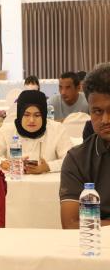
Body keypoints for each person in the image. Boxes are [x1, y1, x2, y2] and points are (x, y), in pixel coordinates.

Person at [60, 64, 110, 228]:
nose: (105, 120)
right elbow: (71, 224)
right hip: (94, 242)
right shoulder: (77, 159)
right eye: (97, 111)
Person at [0, 90, 72, 174]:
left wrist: (48, 167)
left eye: (37, 115)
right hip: (14, 183)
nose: (31, 120)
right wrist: (3, 163)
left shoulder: (57, 129)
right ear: (20, 114)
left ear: (44, 115)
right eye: (26, 115)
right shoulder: (7, 130)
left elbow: (71, 160)